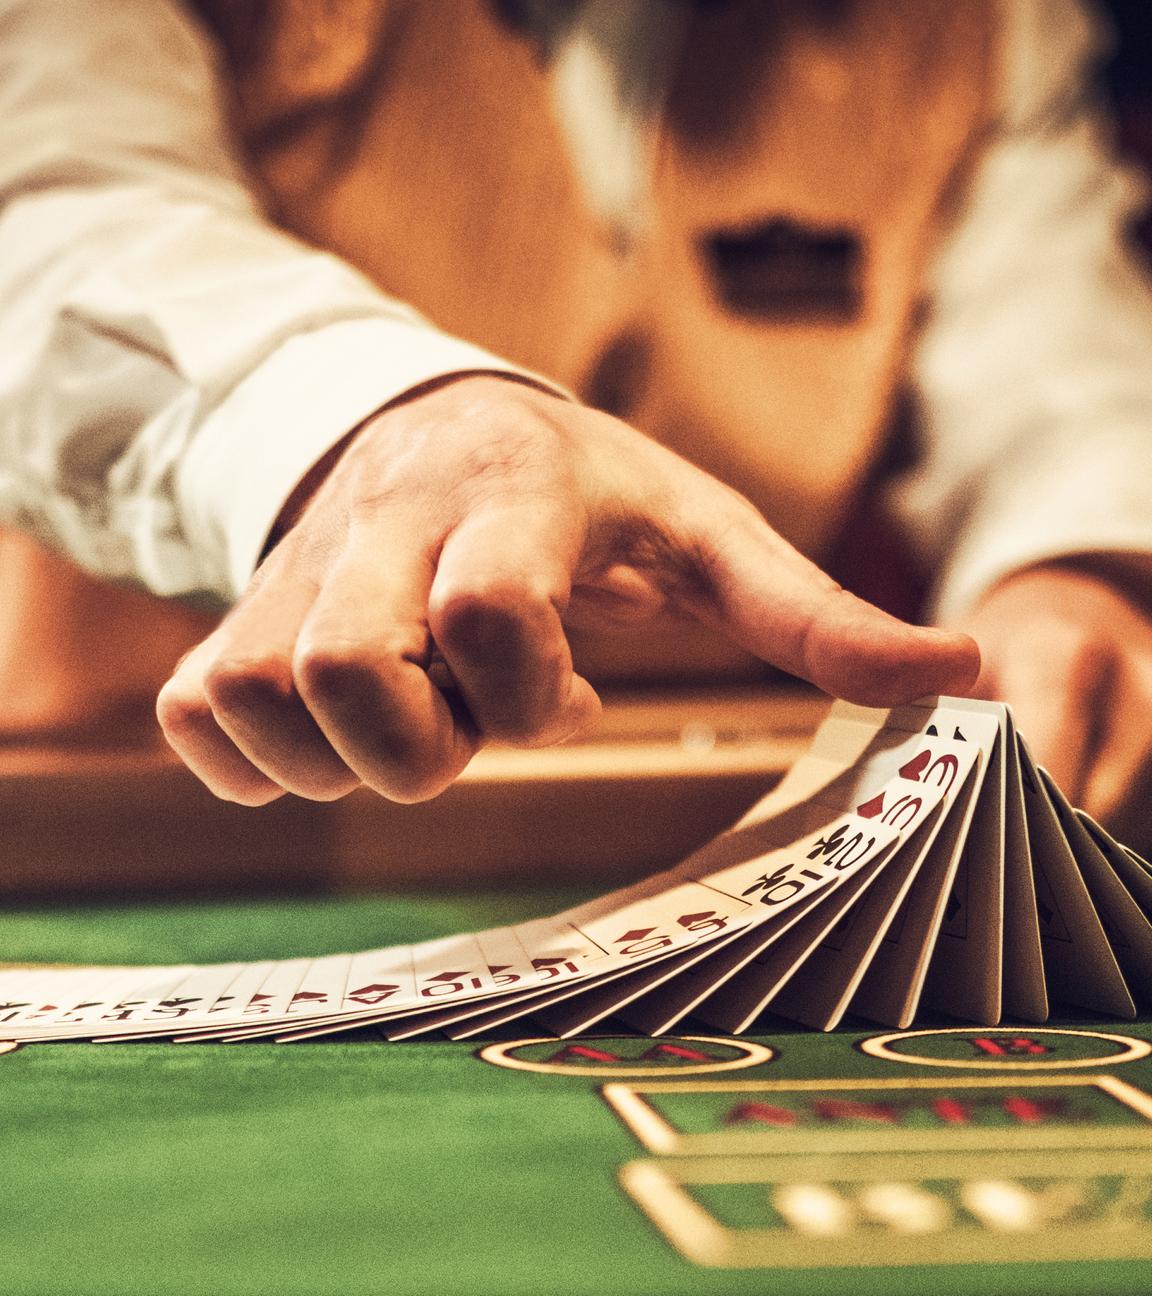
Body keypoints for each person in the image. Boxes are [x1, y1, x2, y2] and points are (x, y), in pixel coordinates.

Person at [1, 0, 1150, 842]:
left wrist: (1073, 565)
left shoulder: (993, 21)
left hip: (718, 849)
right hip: (144, 828)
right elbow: (53, 218)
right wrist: (382, 423)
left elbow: (1052, 354)